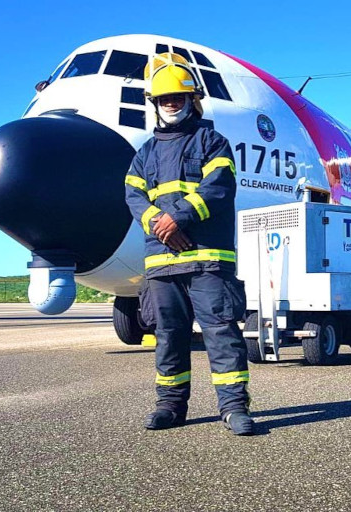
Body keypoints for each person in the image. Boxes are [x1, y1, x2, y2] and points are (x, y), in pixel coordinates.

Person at [124, 53, 253, 435]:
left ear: (191, 100)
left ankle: (233, 408)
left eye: (177, 98)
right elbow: (133, 196)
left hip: (208, 262)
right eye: (164, 99)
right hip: (162, 264)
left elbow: (218, 189)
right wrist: (157, 224)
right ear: (154, 104)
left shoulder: (213, 142)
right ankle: (170, 406)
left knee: (221, 333)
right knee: (168, 337)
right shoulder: (143, 154)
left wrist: (174, 218)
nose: (170, 104)